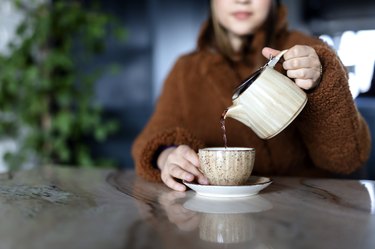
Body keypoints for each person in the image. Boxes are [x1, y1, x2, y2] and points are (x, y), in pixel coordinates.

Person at [132, 0, 371, 191]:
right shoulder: (186, 71)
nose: (241, 1)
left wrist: (321, 81)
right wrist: (167, 156)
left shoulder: (305, 53)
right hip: (217, 216)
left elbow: (347, 159)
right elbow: (152, 138)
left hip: (307, 213)